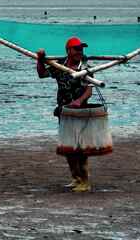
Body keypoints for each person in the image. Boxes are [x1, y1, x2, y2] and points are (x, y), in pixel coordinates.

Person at [36, 37, 95, 192]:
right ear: (69, 50)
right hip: (64, 110)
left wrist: (78, 101)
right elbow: (42, 74)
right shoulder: (59, 65)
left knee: (80, 148)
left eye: (81, 49)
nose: (79, 52)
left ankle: (85, 181)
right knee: (68, 147)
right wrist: (40, 59)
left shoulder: (86, 67)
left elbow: (89, 90)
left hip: (80, 111)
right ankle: (75, 178)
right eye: (76, 49)